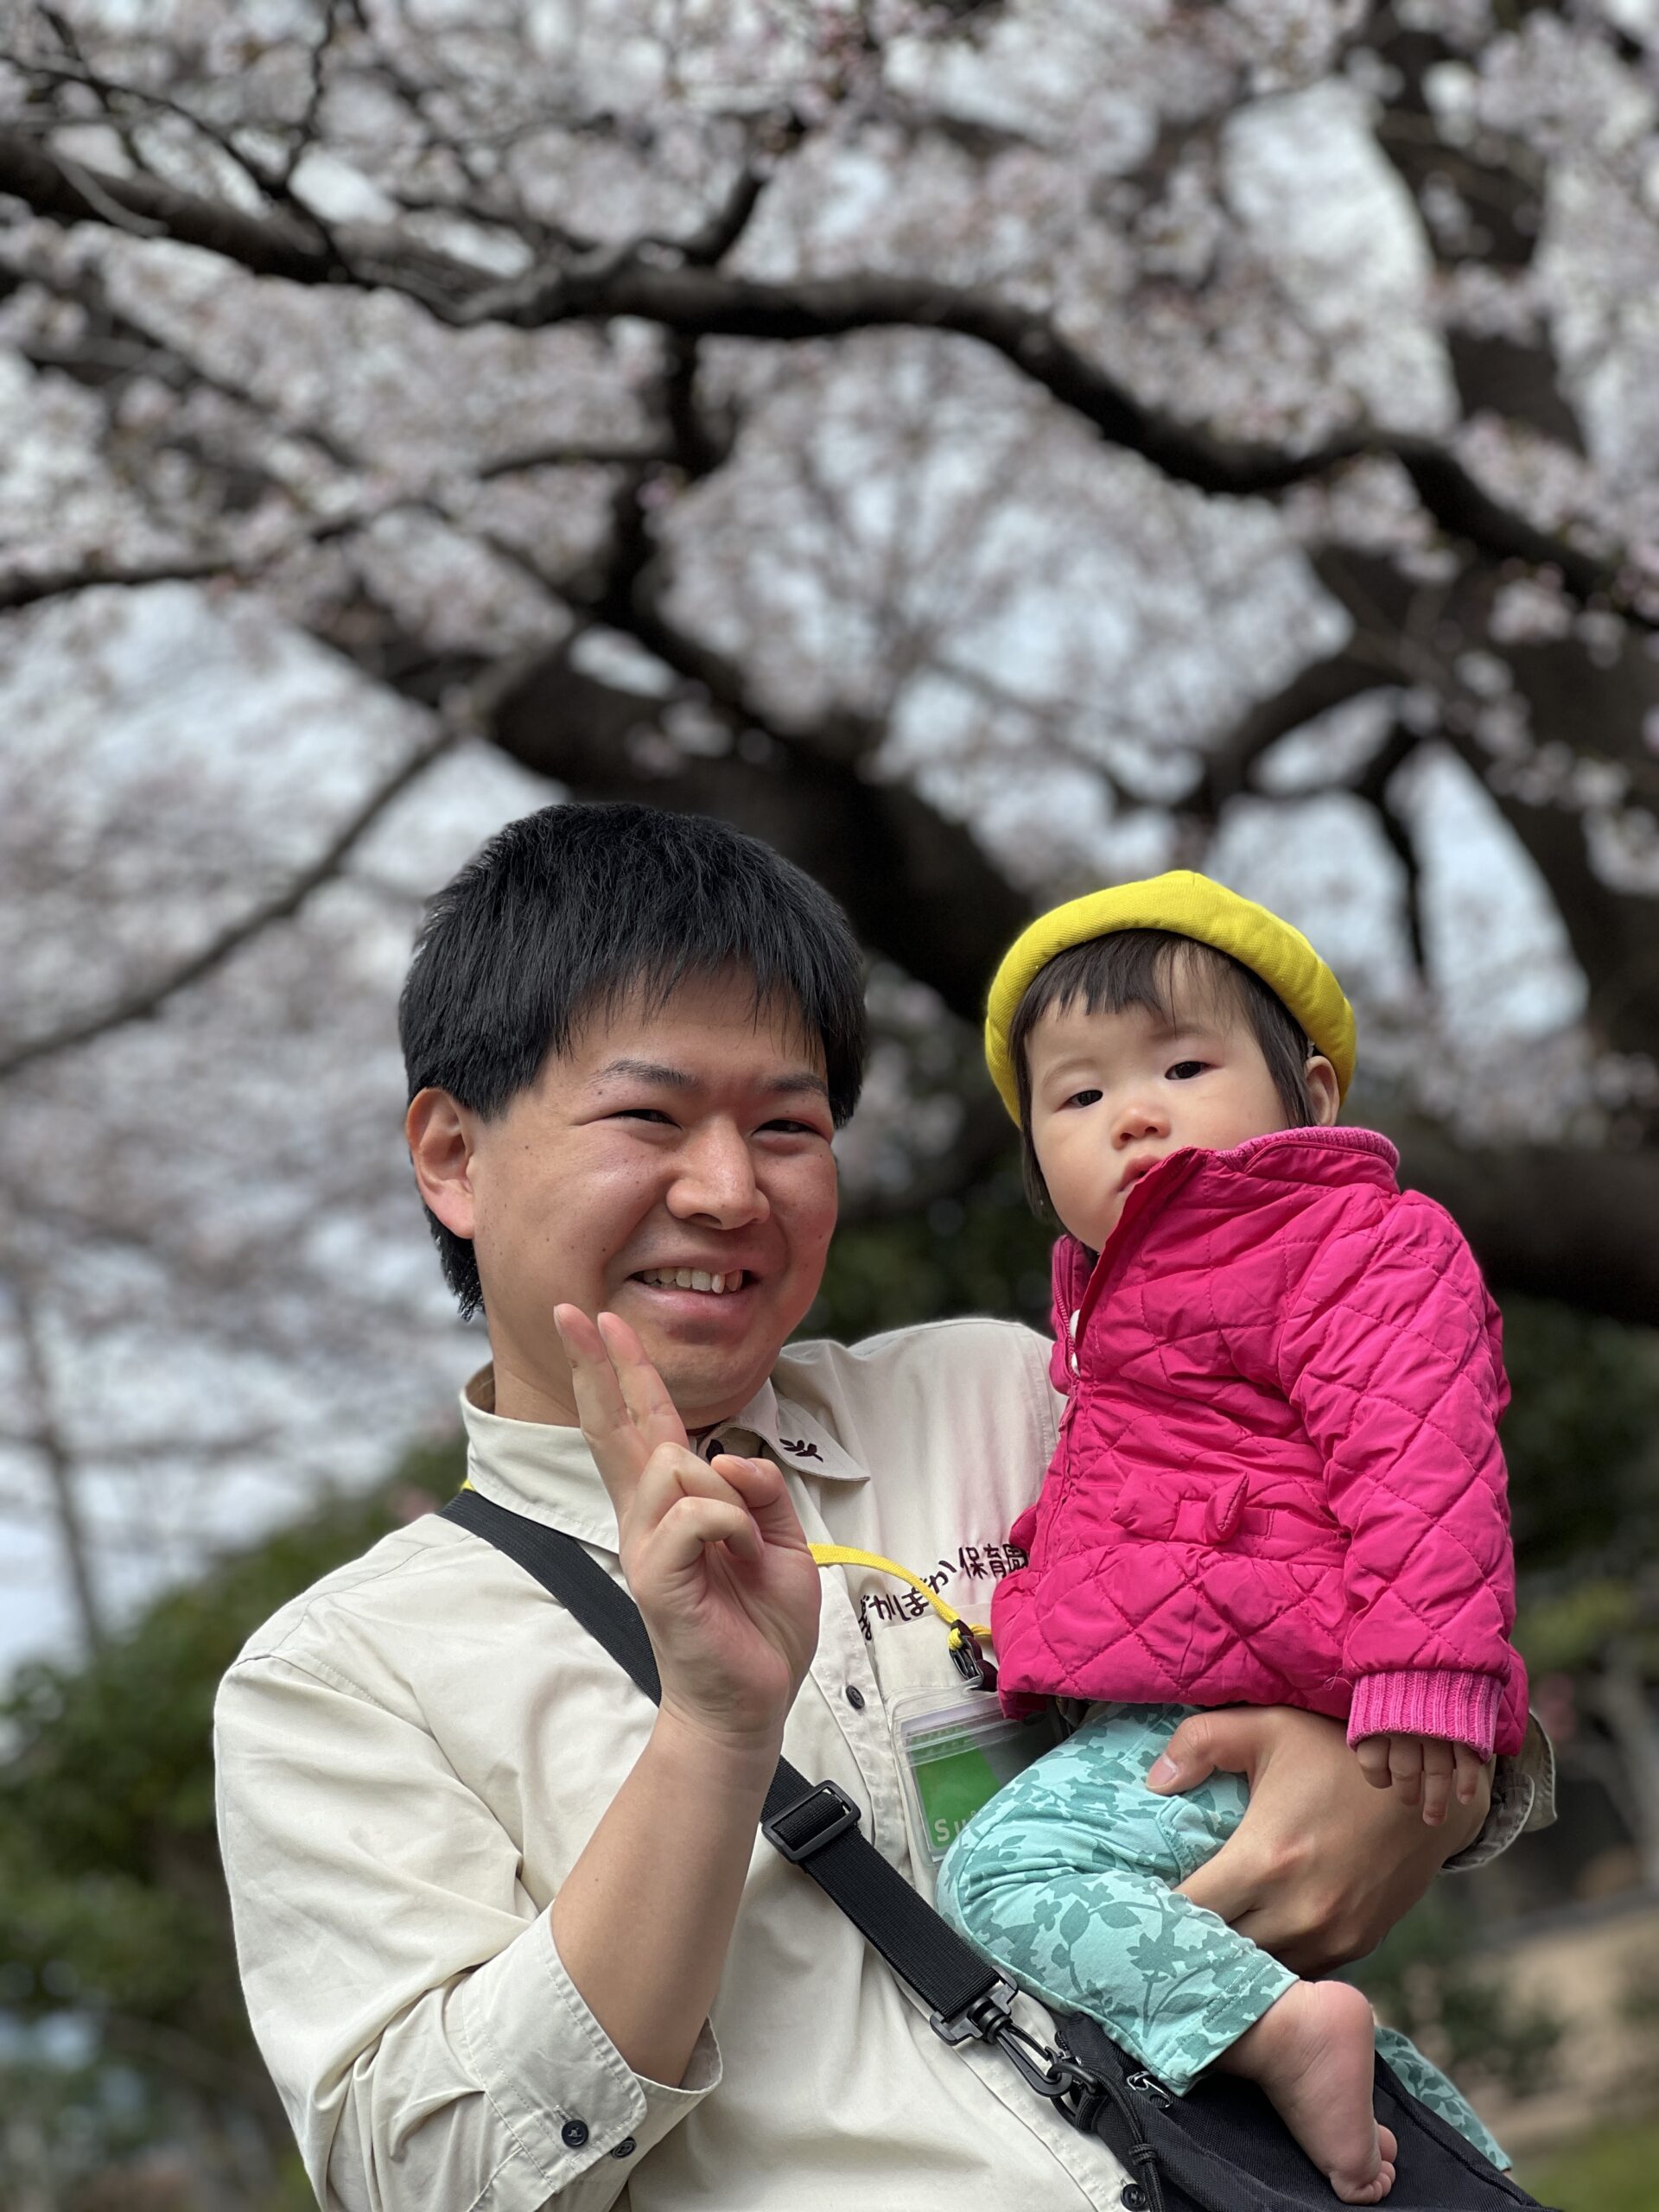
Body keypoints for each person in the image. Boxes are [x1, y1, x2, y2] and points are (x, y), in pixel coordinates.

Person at [213, 805, 1553, 2212]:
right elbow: (430, 2179)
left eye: (787, 1127)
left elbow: (1401, 1559)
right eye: (648, 1117)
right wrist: (711, 1737)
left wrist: (1407, 1780)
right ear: (451, 1157)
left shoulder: (1017, 1398)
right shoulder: (344, 1678)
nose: (729, 1190)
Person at [935, 874, 1527, 2205]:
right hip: (1211, 1690)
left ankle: (1289, 2038)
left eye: (1184, 1068)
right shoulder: (1115, 1313)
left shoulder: (1350, 1243)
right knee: (1236, 1969)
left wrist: (1429, 1678)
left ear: (1311, 1094)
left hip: (1267, 1691)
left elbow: (1423, 1461)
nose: (1133, 1113)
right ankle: (1436, 2144)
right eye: (1078, 1097)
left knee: (1009, 1873)